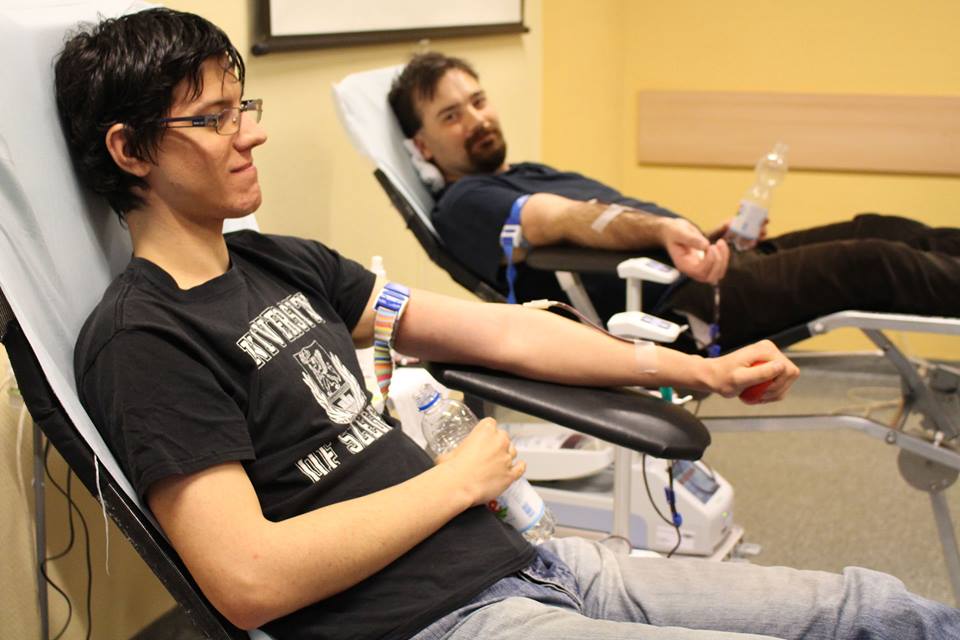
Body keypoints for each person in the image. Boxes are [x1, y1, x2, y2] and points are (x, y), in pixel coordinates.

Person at [57, 8, 956, 640]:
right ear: (130, 151)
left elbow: (502, 333)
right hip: (444, 620)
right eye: (213, 119)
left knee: (867, 607)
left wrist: (700, 372)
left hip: (536, 562)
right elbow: (247, 580)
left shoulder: (282, 264)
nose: (249, 134)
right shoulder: (147, 338)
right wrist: (453, 484)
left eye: (242, 108)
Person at [388, 52, 960, 351]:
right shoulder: (465, 202)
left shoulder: (527, 171)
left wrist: (701, 237)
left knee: (880, 227)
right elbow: (561, 219)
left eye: (478, 101)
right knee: (874, 262)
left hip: (708, 267)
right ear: (423, 146)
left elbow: (607, 226)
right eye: (451, 115)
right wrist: (665, 231)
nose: (477, 119)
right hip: (678, 308)